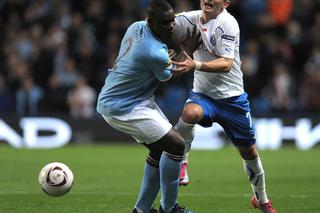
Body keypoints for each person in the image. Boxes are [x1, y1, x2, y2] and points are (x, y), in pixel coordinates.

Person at [172, 0, 277, 213]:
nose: (208, 0)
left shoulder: (228, 24)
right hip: (203, 95)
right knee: (189, 113)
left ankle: (261, 199)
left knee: (250, 152)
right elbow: (162, 24)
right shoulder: (190, 18)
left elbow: (226, 64)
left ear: (226, 3)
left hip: (232, 99)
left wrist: (196, 64)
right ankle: (182, 163)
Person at [96, 0, 194, 213]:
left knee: (161, 150)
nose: (171, 26)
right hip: (124, 106)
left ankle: (141, 210)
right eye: (165, 23)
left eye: (172, 21)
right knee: (177, 144)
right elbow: (168, 78)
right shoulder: (153, 52)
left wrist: (167, 60)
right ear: (151, 22)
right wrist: (176, 60)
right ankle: (170, 209)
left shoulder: (135, 27)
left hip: (128, 99)